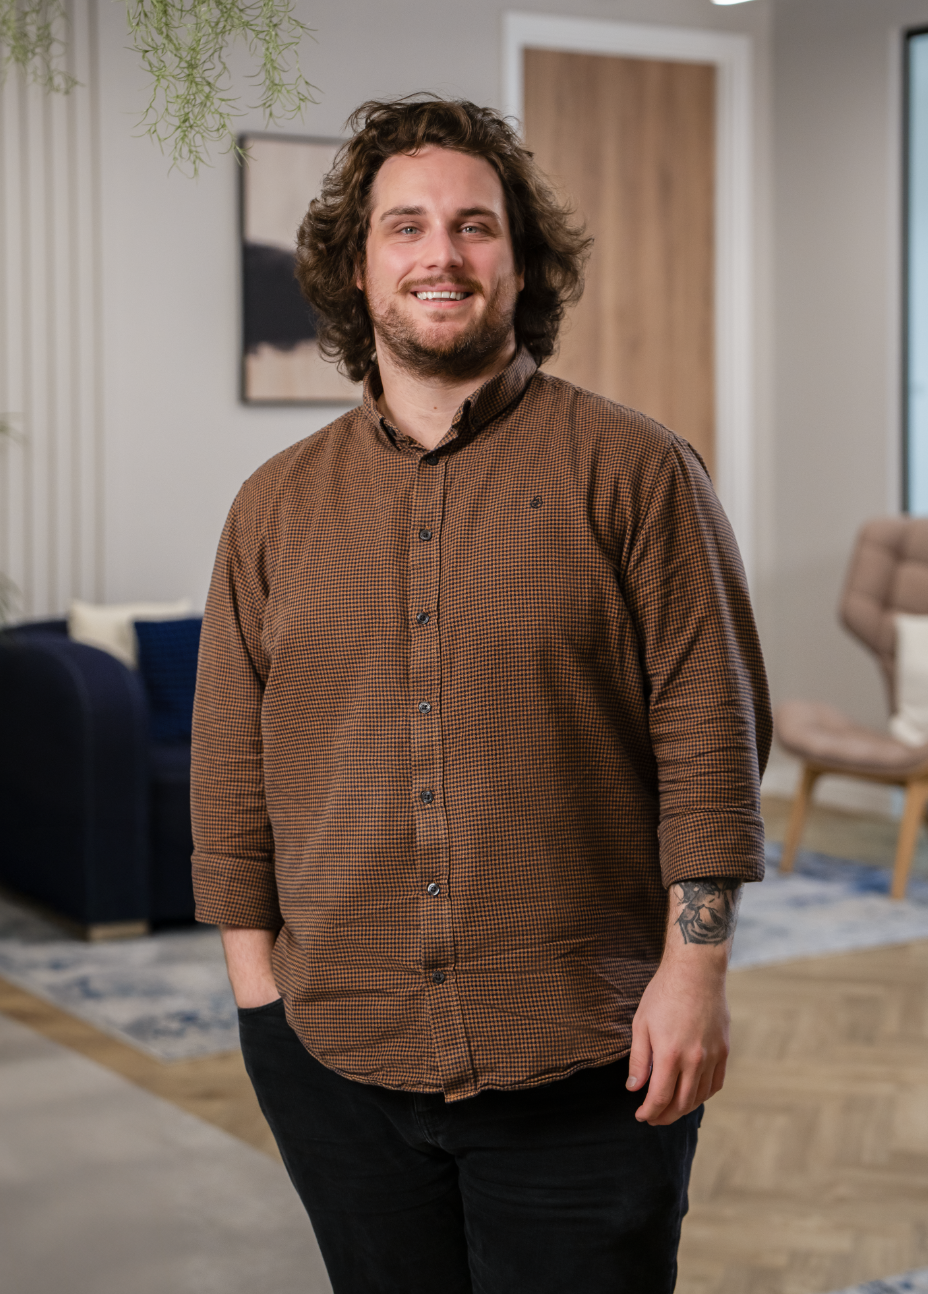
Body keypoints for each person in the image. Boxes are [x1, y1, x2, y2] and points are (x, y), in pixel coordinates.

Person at [191, 95, 771, 1294]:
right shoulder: (271, 506)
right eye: (404, 227)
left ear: (522, 261)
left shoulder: (638, 471)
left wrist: (693, 973)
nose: (440, 254)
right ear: (358, 270)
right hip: (336, 1060)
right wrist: (261, 1005)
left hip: (592, 1061)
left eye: (474, 225)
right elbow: (228, 767)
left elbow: (709, 733)